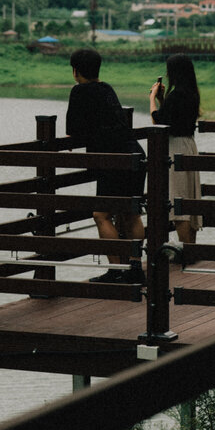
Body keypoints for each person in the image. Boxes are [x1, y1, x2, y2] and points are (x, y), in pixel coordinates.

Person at [65, 48, 146, 284]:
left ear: (75, 70)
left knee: (101, 215)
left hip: (113, 159)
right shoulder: (107, 88)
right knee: (131, 212)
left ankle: (117, 270)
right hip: (135, 154)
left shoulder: (79, 91)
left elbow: (73, 131)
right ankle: (134, 268)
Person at [149, 54, 203, 244]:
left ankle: (186, 252)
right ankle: (191, 249)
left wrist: (152, 99)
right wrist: (164, 100)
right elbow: (172, 118)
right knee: (189, 200)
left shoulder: (177, 95)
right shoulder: (192, 93)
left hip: (176, 147)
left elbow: (158, 121)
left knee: (179, 203)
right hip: (189, 145)